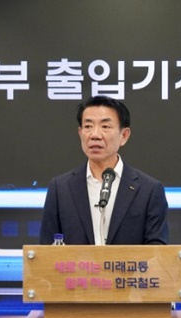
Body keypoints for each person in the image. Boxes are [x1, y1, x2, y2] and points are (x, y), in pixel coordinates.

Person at [39, 95, 169, 245]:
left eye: (105, 127)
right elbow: (47, 248)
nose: (95, 135)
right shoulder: (60, 188)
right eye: (88, 126)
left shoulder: (149, 190)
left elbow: (157, 250)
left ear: (124, 135)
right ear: (80, 133)